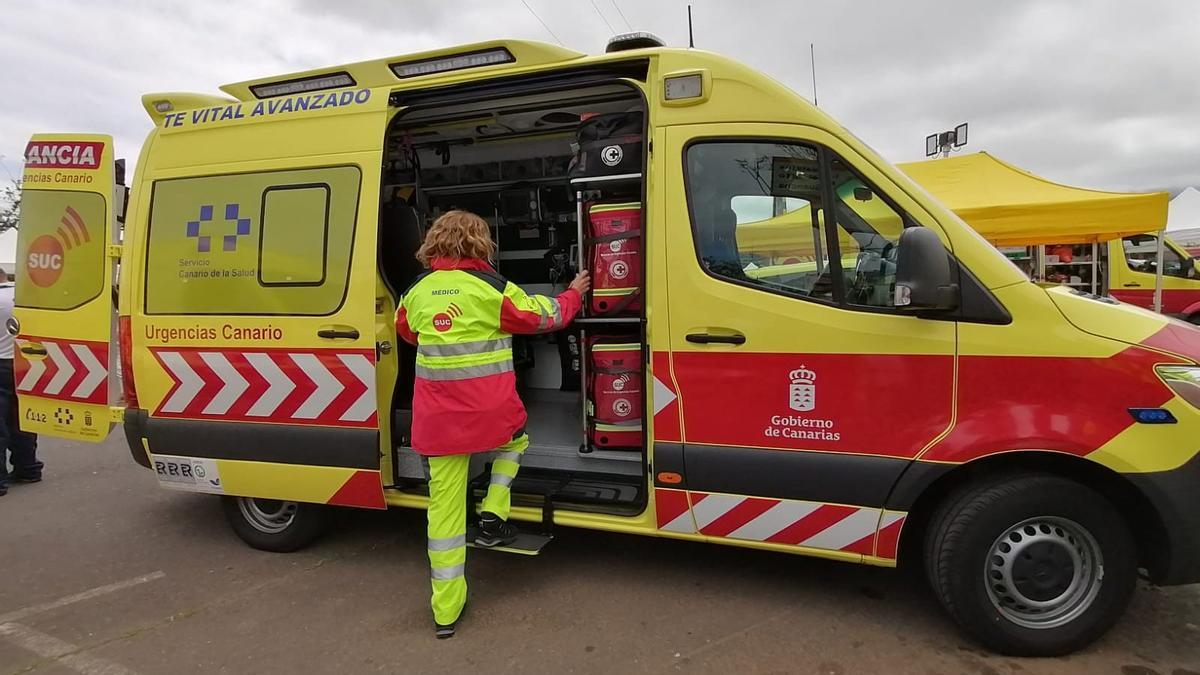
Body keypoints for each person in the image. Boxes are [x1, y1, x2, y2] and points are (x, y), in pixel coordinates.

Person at [395, 210, 589, 638]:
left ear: (435, 242)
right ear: (480, 242)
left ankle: (445, 613)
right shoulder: (492, 287)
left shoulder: (416, 291)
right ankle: (493, 513)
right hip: (491, 416)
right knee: (516, 443)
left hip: (439, 425)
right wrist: (574, 292)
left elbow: (406, 333)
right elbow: (546, 317)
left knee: (443, 516)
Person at [0, 269, 42, 496]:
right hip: (25, 361)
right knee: (23, 418)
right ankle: (28, 467)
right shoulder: (24, 295)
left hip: (0, 363)